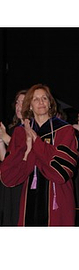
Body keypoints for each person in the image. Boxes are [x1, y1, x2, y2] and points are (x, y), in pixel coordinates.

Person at [0, 84, 78, 226]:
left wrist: (36, 141)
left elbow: (61, 173)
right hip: (27, 197)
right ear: (29, 105)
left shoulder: (65, 131)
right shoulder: (20, 133)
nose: (41, 102)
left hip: (57, 197)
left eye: (44, 98)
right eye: (35, 99)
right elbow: (8, 177)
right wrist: (27, 152)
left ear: (50, 104)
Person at [0, 89, 26, 226]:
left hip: (24, 183)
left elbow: (23, 151)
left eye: (23, 102)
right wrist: (0, 140)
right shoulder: (13, 129)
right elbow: (6, 158)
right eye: (17, 102)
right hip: (9, 181)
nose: (18, 106)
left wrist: (5, 137)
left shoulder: (34, 129)